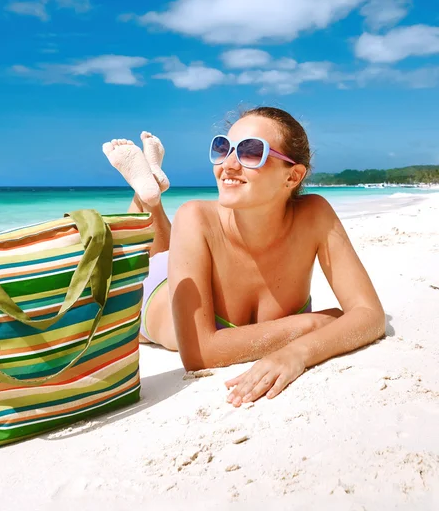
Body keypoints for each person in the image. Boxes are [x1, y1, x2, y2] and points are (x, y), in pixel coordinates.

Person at [102, 106, 385, 407]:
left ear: (293, 176)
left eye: (251, 152)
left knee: (167, 251)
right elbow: (199, 354)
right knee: (151, 266)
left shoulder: (315, 216)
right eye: (223, 148)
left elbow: (370, 315)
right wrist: (308, 326)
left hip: (189, 261)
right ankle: (146, 196)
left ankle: (150, 195)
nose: (229, 164)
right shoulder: (195, 216)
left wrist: (297, 353)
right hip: (158, 294)